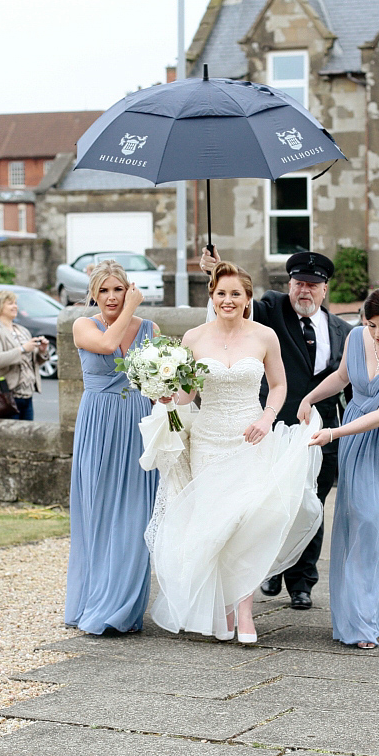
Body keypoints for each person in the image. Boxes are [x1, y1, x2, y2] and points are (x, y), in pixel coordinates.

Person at [148, 262, 323, 644]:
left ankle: (244, 609)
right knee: (217, 525)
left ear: (247, 300)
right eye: (221, 293)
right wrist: (166, 396)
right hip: (208, 440)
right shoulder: (193, 338)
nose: (228, 300)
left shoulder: (264, 336)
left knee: (248, 521)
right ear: (212, 296)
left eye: (236, 294)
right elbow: (187, 394)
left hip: (251, 438)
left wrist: (267, 418)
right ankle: (223, 610)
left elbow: (278, 386)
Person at [200, 248, 354, 611]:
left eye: (314, 285)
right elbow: (237, 299)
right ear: (289, 285)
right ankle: (268, 568)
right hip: (273, 429)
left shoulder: (342, 331)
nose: (306, 291)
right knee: (267, 508)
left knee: (309, 505)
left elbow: (349, 381)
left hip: (320, 434)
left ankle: (302, 583)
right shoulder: (270, 310)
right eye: (300, 283)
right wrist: (219, 269)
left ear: (325, 290)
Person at [296, 287, 379, 649]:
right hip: (359, 436)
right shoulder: (357, 337)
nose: (378, 334)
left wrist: (333, 432)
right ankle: (360, 617)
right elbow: (342, 378)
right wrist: (310, 396)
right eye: (371, 325)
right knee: (363, 519)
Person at [65, 259, 158, 634]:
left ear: (127, 288)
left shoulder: (149, 330)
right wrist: (132, 307)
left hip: (136, 422)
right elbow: (106, 344)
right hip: (99, 425)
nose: (111, 297)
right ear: (93, 293)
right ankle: (94, 601)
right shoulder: (83, 325)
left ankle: (123, 607)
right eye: (103, 290)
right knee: (99, 515)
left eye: (118, 289)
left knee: (137, 516)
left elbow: (154, 383)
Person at [0, 289, 48, 421]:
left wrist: (42, 351)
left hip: (26, 396)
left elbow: (30, 362)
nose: (15, 306)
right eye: (10, 303)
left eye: (15, 303)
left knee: (26, 438)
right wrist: (22, 349)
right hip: (4, 396)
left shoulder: (22, 330)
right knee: (7, 439)